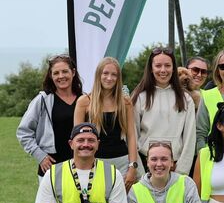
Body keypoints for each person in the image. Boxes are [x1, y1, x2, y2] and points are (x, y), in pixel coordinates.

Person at [73, 57, 139, 190]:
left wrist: (133, 167)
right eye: (105, 73)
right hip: (94, 163)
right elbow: (77, 139)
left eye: (114, 74)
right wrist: (79, 167)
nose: (109, 78)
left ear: (118, 78)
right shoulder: (84, 102)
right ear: (98, 75)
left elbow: (132, 136)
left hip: (122, 163)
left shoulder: (125, 102)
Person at [132, 47, 196, 175]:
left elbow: (190, 138)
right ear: (151, 68)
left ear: (173, 68)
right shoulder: (139, 97)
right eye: (158, 66)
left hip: (175, 167)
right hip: (146, 167)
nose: (163, 70)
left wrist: (181, 172)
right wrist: (138, 171)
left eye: (167, 65)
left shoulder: (186, 99)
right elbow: (132, 136)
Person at [18, 54, 84, 180]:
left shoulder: (84, 99)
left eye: (65, 71)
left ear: (73, 72)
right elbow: (23, 132)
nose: (61, 76)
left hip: (81, 166)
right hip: (51, 168)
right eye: (56, 73)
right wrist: (40, 156)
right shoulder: (42, 100)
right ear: (51, 76)